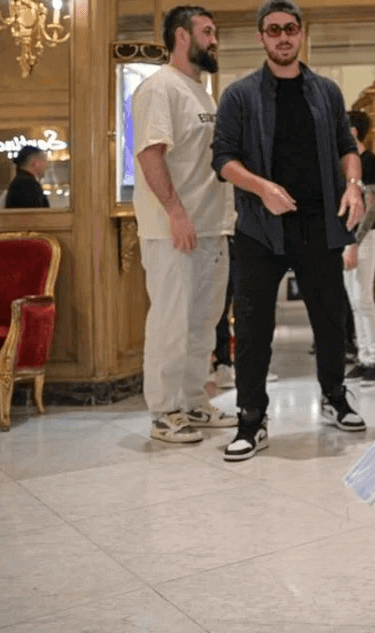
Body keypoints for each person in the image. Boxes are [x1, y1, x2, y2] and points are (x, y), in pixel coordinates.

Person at [212, 0, 366, 461]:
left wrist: (354, 186)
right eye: (273, 29)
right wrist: (262, 189)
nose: (283, 37)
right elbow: (222, 160)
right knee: (255, 327)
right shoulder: (240, 95)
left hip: (320, 226)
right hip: (261, 229)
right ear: (261, 37)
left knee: (331, 318)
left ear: (301, 34)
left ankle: (335, 395)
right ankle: (251, 418)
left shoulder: (326, 92)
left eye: (290, 29)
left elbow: (346, 147)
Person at [132, 5, 238, 443]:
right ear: (181, 36)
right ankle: (164, 411)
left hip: (212, 227)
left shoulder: (203, 92)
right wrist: (176, 212)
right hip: (171, 230)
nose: (214, 40)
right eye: (207, 32)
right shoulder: (160, 88)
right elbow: (150, 153)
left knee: (203, 321)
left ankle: (193, 401)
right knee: (171, 322)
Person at [343, 110, 375, 385]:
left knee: (363, 299)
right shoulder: (347, 163)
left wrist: (353, 244)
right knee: (353, 300)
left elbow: (371, 209)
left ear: (354, 131)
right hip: (347, 240)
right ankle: (363, 356)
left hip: (365, 238)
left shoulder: (370, 161)